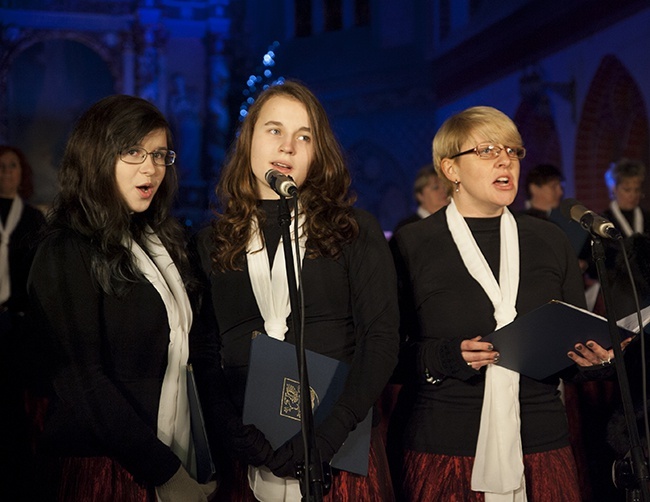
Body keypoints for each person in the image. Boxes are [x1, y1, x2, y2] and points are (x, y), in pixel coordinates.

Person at [391, 105, 628, 501]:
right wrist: (448, 356)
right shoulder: (413, 244)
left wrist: (594, 359)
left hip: (540, 442)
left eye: (513, 151)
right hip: (446, 443)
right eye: (486, 150)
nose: (505, 160)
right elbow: (385, 354)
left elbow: (567, 353)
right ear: (451, 170)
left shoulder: (549, 239)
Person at [190, 80, 399, 501]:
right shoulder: (211, 240)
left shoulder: (352, 230)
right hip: (248, 448)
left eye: (304, 136)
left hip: (338, 444)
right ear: (247, 139)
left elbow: (381, 339)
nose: (288, 147)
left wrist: (327, 436)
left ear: (317, 152)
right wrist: (235, 434)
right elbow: (205, 350)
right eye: (274, 131)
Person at [26, 94, 217, 502]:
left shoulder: (160, 241)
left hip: (174, 454)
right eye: (133, 151)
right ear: (97, 155)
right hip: (103, 469)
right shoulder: (65, 249)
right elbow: (82, 382)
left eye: (160, 154)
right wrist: (166, 473)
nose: (151, 167)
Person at [0, 144, 47, 500]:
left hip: (17, 321)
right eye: (1, 166)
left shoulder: (32, 219)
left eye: (12, 165)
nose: (6, 172)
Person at [392, 164, 450, 233]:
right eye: (435, 188)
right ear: (420, 195)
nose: (443, 191)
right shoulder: (407, 227)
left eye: (445, 187)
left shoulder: (453, 222)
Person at [603, 158, 650, 237]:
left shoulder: (647, 218)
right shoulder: (604, 221)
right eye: (627, 190)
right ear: (615, 189)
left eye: (637, 190)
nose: (633, 195)